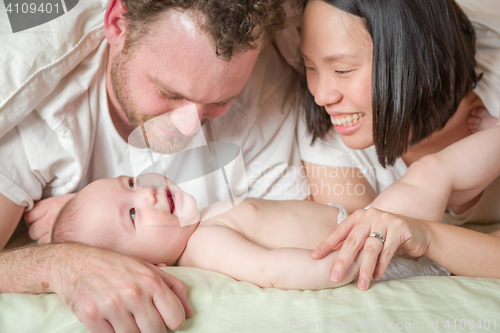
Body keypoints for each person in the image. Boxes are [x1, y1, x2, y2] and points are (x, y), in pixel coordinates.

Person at [0, 0, 309, 331]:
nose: (189, 126)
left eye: (220, 102)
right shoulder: (33, 103)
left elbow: (310, 229)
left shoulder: (265, 88)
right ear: (118, 24)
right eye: (169, 93)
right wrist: (62, 261)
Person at [298, 0, 500, 290]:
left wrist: (435, 173)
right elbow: (366, 255)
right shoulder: (329, 137)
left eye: (342, 70)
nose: (321, 96)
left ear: (415, 57)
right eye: (310, 66)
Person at [50, 173, 449, 290]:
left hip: (368, 226)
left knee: (438, 181)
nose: (149, 194)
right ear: (152, 265)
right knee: (437, 172)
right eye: (133, 214)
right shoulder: (204, 246)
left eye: (132, 183)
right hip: (372, 247)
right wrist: (348, 264)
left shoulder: (199, 222)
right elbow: (271, 269)